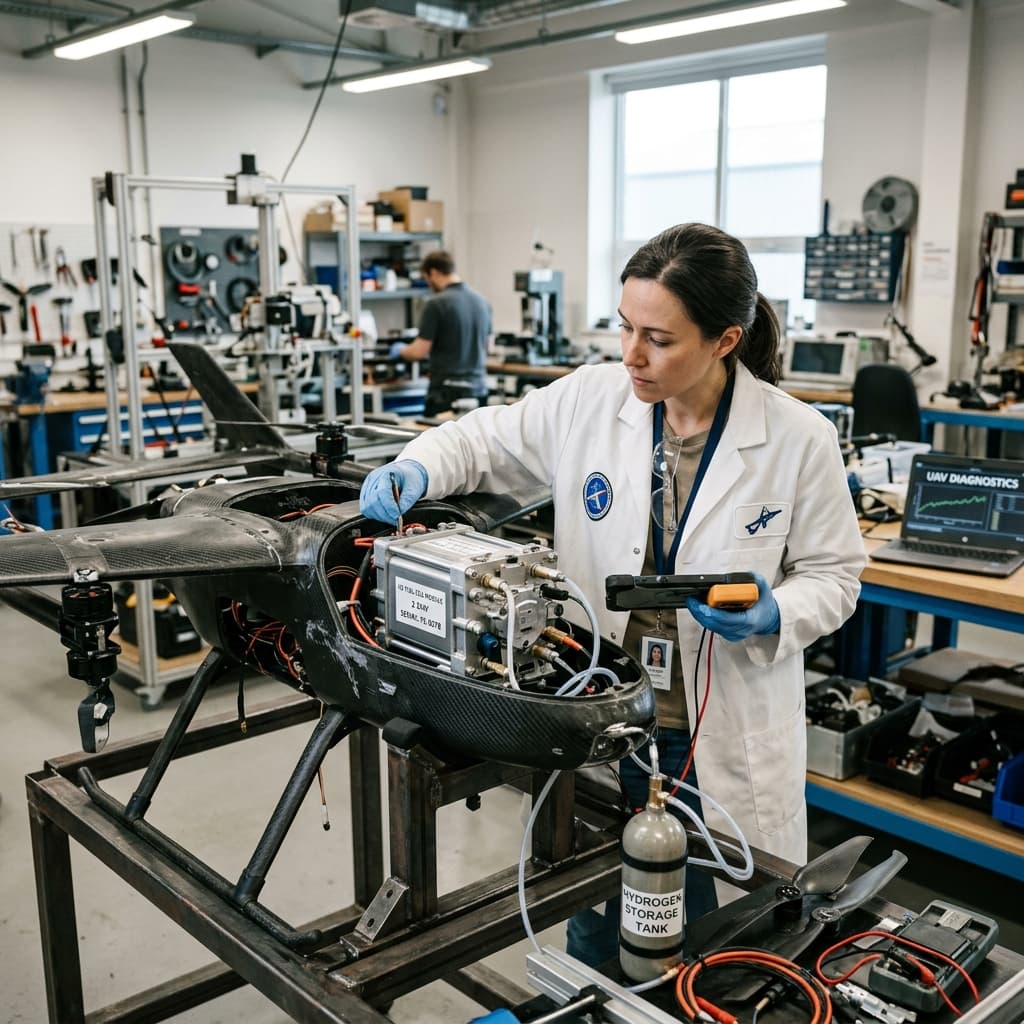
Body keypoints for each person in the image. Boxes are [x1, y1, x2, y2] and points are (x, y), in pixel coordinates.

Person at [361, 222, 865, 965]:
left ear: (726, 340)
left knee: (725, 945)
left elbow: (836, 573)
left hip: (718, 727)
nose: (632, 354)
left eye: (658, 339)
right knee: (595, 921)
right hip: (602, 718)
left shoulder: (796, 437)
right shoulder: (593, 401)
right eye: (626, 328)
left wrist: (777, 612)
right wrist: (418, 469)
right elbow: (482, 441)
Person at [388, 250, 492, 417]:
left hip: (447, 394)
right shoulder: (482, 302)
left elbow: (419, 351)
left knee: (438, 442)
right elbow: (488, 347)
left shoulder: (436, 304)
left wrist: (399, 350)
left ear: (434, 273)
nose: (429, 283)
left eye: (427, 278)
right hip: (478, 392)